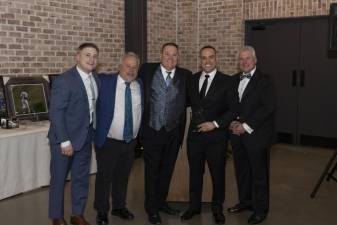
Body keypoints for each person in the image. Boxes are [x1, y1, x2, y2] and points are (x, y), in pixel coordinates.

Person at [181, 46, 236, 224]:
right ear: (200, 60)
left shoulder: (227, 81)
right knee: (195, 173)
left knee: (217, 174)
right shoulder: (192, 79)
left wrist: (215, 124)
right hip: (195, 138)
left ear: (216, 59)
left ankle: (217, 207)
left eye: (211, 57)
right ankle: (194, 206)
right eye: (204, 58)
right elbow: (186, 102)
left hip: (217, 137)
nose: (207, 61)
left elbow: (232, 110)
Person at [138, 42, 192, 225]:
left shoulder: (186, 75)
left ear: (178, 57)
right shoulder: (146, 70)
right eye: (167, 54)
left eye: (174, 55)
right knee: (152, 172)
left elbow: (196, 100)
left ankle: (161, 202)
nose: (171, 58)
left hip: (173, 132)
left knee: (167, 171)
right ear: (160, 55)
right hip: (152, 131)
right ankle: (151, 209)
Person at [48, 43, 100, 225]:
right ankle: (56, 217)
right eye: (87, 55)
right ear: (77, 57)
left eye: (94, 56)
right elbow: (56, 112)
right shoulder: (64, 80)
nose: (91, 59)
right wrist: (64, 141)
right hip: (64, 140)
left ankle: (77, 214)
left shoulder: (96, 79)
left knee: (81, 179)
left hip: (85, 139)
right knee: (59, 180)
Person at [227, 45, 276, 225]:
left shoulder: (265, 80)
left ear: (255, 60)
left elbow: (267, 108)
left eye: (248, 58)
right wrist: (232, 122)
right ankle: (245, 202)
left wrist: (246, 126)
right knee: (242, 172)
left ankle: (260, 209)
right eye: (241, 59)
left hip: (257, 136)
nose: (244, 62)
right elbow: (231, 105)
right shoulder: (233, 80)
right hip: (237, 135)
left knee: (259, 174)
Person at [93, 52, 143, 225]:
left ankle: (119, 206)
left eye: (134, 67)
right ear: (120, 67)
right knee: (104, 177)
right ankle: (101, 211)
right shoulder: (105, 82)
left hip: (130, 142)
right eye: (127, 66)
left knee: (122, 176)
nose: (131, 70)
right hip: (108, 141)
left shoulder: (139, 85)